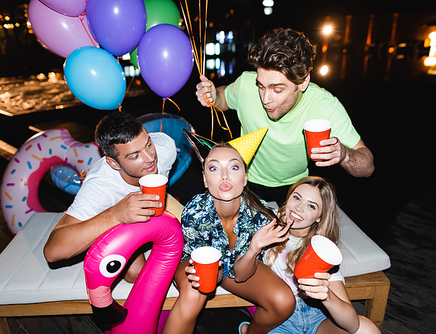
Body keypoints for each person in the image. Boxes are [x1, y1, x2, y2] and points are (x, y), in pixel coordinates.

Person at [195, 28, 374, 205]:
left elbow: (368, 166)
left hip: (294, 187)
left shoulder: (325, 105)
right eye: (261, 86)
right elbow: (223, 98)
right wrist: (211, 95)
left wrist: (344, 155)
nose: (265, 99)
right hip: (246, 178)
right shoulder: (245, 84)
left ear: (303, 82)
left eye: (277, 89)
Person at [162, 143, 296, 334]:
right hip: (194, 264)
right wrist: (205, 274)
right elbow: (208, 274)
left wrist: (254, 248)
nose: (225, 175)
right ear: (205, 180)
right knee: (195, 291)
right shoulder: (195, 211)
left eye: (234, 167)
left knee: (283, 301)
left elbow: (241, 275)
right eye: (214, 168)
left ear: (245, 178)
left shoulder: (260, 216)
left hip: (239, 267)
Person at [43, 111, 182, 283]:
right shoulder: (100, 187)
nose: (150, 159)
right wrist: (115, 214)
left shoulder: (165, 148)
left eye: (148, 144)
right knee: (136, 274)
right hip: (115, 212)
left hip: (157, 202)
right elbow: (52, 251)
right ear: (114, 163)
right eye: (135, 155)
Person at [264, 176, 380, 334]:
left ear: (319, 216)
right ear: (288, 197)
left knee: (367, 330)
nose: (299, 208)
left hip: (314, 317)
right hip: (277, 318)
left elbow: (353, 325)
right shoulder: (266, 225)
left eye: (311, 206)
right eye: (296, 197)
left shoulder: (319, 250)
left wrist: (327, 296)